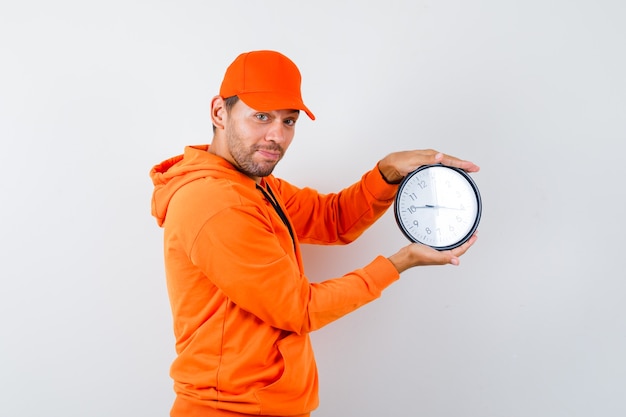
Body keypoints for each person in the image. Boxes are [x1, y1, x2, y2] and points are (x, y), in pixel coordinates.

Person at [149, 49, 479, 417]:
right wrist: (398, 263)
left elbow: (332, 219)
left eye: (288, 121)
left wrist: (385, 173)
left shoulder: (253, 185)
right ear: (219, 113)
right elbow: (298, 308)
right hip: (230, 410)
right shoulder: (215, 202)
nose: (276, 136)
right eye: (261, 117)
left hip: (267, 406)